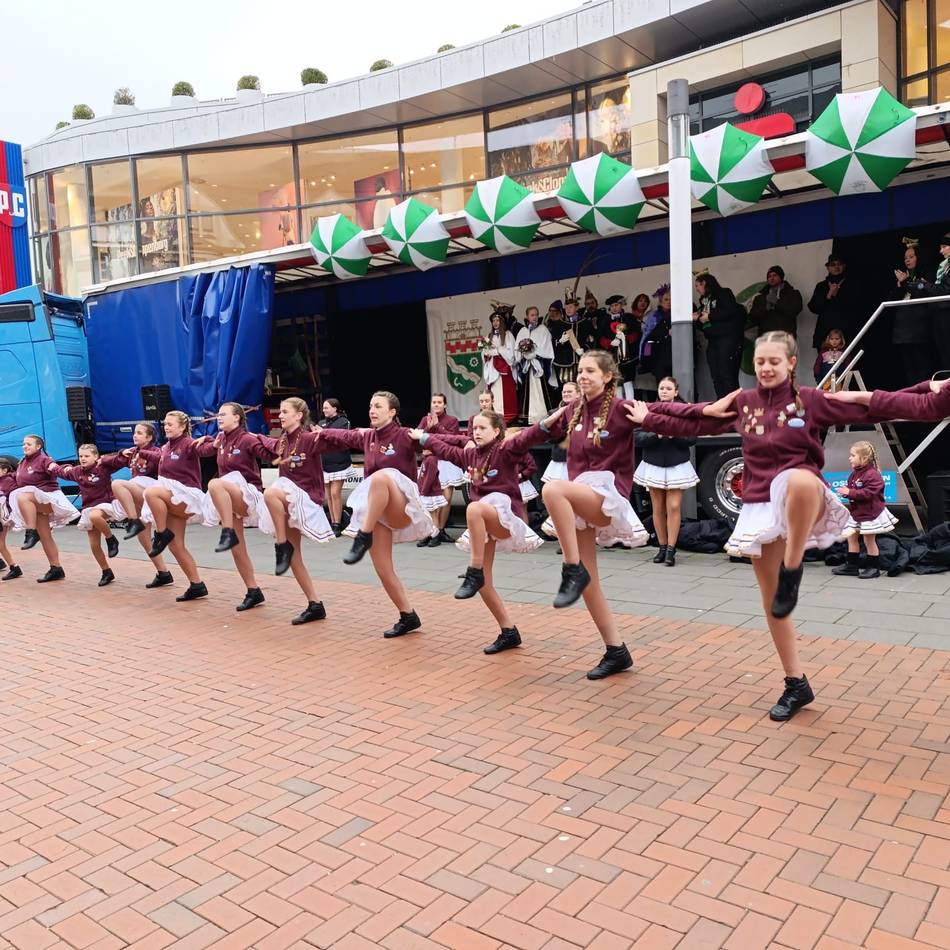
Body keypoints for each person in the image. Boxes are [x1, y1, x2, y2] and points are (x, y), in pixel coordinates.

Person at [631, 330, 950, 721]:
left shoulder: (811, 401)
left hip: (803, 496)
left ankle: (794, 566)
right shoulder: (744, 402)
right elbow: (699, 417)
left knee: (795, 479)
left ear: (791, 364)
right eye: (760, 362)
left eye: (774, 362)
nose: (765, 368)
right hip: (759, 507)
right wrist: (650, 415)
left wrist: (932, 393)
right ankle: (795, 682)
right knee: (773, 605)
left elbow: (873, 406)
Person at [531, 351, 649, 679]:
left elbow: (672, 413)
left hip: (607, 494)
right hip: (583, 492)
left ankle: (571, 569)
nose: (582, 376)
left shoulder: (622, 408)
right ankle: (616, 651)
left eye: (590, 371)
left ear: (607, 376)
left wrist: (708, 411)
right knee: (590, 582)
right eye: (580, 370)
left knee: (553, 489)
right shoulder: (574, 409)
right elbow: (534, 434)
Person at [409, 410, 544, 654]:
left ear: (496, 431)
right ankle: (508, 631)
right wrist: (423, 437)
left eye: (483, 428)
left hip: (503, 517)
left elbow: (531, 435)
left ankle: (474, 572)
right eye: (474, 429)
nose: (476, 432)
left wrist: (556, 418)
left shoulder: (506, 450)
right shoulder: (470, 454)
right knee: (485, 585)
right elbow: (446, 449)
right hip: (484, 521)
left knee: (473, 508)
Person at [315, 391, 435, 638]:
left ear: (392, 412)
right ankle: (408, 615)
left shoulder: (404, 435)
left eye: (378, 406)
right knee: (382, 567)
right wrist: (321, 432)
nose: (372, 410)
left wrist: (437, 437)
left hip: (402, 505)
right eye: (371, 405)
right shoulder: (368, 436)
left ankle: (363, 534)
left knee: (380, 476)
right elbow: (345, 435)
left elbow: (441, 441)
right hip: (378, 509)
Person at [258, 397, 333, 625]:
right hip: (289, 499)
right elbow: (259, 441)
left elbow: (337, 443)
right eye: (280, 412)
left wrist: (327, 433)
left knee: (270, 492)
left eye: (284, 412)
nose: (280, 415)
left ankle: (280, 544)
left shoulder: (310, 438)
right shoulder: (281, 441)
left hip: (307, 498)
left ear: (299, 415)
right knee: (294, 557)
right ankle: (315, 604)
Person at [197, 402, 274, 613]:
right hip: (230, 495)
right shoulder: (221, 439)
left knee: (214, 483)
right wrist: (201, 442)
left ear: (237, 418)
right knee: (237, 549)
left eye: (223, 415)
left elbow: (269, 453)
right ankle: (253, 590)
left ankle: (227, 530)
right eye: (218, 415)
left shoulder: (248, 439)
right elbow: (202, 451)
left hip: (248, 493)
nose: (218, 418)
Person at [139, 411, 209, 603]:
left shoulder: (188, 443)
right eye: (165, 424)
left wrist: (209, 439)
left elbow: (205, 450)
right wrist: (138, 453)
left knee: (151, 492)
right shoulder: (166, 447)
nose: (166, 427)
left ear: (182, 427)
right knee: (176, 546)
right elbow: (156, 457)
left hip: (187, 496)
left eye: (170, 424)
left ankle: (161, 533)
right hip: (172, 497)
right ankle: (197, 585)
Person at [633, 376, 699, 567]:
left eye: (668, 388)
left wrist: (674, 434)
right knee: (657, 508)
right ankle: (662, 547)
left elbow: (692, 437)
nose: (664, 391)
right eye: (662, 388)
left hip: (677, 463)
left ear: (675, 392)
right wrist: (657, 435)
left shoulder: (683, 410)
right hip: (653, 463)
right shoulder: (647, 409)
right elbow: (637, 437)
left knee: (674, 506)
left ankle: (672, 548)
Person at [104, 422, 174, 589]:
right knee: (143, 538)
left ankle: (134, 520)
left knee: (118, 484)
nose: (135, 435)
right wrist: (121, 453)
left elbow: (161, 460)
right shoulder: (132, 452)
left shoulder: (156, 451)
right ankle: (163, 572)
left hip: (150, 491)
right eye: (135, 432)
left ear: (149, 437)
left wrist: (141, 452)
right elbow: (106, 460)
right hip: (137, 492)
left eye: (140, 433)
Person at [47, 445, 125, 587]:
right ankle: (106, 571)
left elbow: (119, 460)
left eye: (87, 456)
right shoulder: (76, 471)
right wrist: (49, 464)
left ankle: (111, 539)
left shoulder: (103, 467)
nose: (83, 458)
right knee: (94, 545)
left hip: (105, 503)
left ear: (95, 457)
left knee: (95, 516)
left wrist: (119, 454)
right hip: (89, 507)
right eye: (81, 456)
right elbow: (60, 471)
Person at [8, 434, 75, 583]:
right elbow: (15, 481)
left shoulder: (44, 460)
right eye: (24, 444)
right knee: (45, 536)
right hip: (35, 502)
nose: (25, 446)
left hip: (49, 497)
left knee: (22, 496)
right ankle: (56, 568)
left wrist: (67, 469)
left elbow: (56, 469)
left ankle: (31, 532)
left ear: (38, 446)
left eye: (29, 444)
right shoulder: (22, 462)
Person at [831, 440, 897, 581]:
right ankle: (852, 566)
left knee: (869, 540)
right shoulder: (855, 474)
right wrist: (846, 492)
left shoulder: (873, 475)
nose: (850, 458)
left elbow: (869, 493)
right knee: (851, 537)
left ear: (865, 458)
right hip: (858, 512)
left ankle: (874, 568)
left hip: (870, 513)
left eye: (853, 455)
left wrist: (850, 492)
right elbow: (856, 490)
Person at [417, 393, 463, 544]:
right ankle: (432, 531)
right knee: (430, 498)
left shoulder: (452, 420)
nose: (436, 405)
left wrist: (437, 426)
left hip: (446, 462)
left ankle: (441, 529)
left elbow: (453, 440)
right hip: (431, 462)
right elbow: (417, 438)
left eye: (439, 402)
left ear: (445, 405)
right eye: (434, 402)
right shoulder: (426, 419)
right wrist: (427, 428)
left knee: (446, 499)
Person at [695, 272, 746, 398]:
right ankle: (721, 403)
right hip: (712, 340)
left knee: (727, 373)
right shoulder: (703, 302)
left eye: (697, 286)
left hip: (727, 339)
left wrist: (710, 316)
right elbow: (704, 324)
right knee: (716, 375)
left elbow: (731, 310)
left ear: (705, 283)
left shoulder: (723, 293)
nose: (696, 289)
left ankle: (733, 406)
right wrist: (697, 319)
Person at [316, 398, 355, 537]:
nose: (324, 410)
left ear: (335, 408)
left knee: (335, 493)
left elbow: (344, 439)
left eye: (327, 407)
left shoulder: (344, 422)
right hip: (324, 462)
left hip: (339, 462)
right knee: (328, 496)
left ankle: (338, 523)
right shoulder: (321, 423)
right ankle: (332, 522)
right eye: (323, 408)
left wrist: (324, 433)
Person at [515, 306, 556, 423]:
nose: (535, 317)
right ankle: (528, 417)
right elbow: (516, 350)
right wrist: (524, 355)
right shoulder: (523, 331)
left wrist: (535, 354)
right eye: (532, 315)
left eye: (536, 315)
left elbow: (547, 348)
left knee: (541, 390)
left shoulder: (543, 329)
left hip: (539, 365)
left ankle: (543, 416)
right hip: (527, 367)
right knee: (527, 391)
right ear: (527, 317)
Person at [809, 253, 859, 350]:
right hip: (825, 332)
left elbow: (856, 305)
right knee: (824, 364)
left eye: (839, 264)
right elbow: (813, 307)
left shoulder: (852, 284)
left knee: (845, 364)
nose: (836, 267)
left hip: (845, 332)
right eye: (833, 264)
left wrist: (837, 296)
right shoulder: (821, 286)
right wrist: (828, 296)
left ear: (844, 266)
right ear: (828, 268)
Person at [600, 294, 641, 399]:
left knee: (628, 380)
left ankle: (630, 403)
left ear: (621, 305)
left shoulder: (629, 317)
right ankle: (619, 405)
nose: (614, 307)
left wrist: (624, 339)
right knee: (616, 381)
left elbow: (636, 333)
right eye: (612, 305)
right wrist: (610, 342)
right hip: (613, 355)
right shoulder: (605, 320)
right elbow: (601, 337)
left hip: (628, 355)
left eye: (617, 305)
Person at [481, 308, 519, 423]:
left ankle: (508, 417)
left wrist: (497, 350)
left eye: (498, 320)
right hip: (493, 369)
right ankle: (495, 417)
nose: (495, 323)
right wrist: (486, 353)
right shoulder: (489, 336)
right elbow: (484, 353)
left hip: (504, 370)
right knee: (494, 393)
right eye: (493, 321)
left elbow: (511, 354)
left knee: (506, 394)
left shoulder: (508, 335)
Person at [541, 381, 579, 484]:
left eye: (569, 391)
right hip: (561, 460)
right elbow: (549, 438)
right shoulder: (553, 413)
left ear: (578, 394)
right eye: (564, 392)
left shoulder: (586, 411)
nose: (566, 394)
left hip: (581, 460)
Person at [749, 266, 803, 337]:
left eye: (775, 275)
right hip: (766, 338)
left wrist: (777, 302)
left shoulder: (792, 294)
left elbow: (794, 310)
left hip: (785, 337)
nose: (772, 278)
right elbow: (753, 318)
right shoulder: (760, 297)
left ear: (781, 277)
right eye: (769, 276)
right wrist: (765, 308)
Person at [639, 284, 673, 392]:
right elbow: (648, 337)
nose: (669, 302)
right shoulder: (654, 317)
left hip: (676, 355)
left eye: (671, 299)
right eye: (666, 299)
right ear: (660, 301)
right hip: (659, 357)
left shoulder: (679, 314)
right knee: (662, 385)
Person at [415, 449, 448, 548]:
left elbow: (430, 477)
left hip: (430, 493)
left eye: (426, 448)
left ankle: (436, 535)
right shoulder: (426, 459)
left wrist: (424, 490)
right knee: (428, 515)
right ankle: (430, 534)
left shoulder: (432, 460)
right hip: (426, 492)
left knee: (433, 515)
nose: (423, 450)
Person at [0, 457, 23, 580]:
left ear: (4, 470)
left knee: (1, 544)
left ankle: (14, 568)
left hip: (3, 517)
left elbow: (13, 498)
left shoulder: (8, 481)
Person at [547, 299, 580, 384]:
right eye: (566, 308)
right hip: (565, 361)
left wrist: (584, 348)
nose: (568, 310)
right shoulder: (559, 324)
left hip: (581, 360)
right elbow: (553, 343)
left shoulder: (584, 322)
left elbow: (591, 340)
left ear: (577, 307)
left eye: (570, 307)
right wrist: (560, 341)